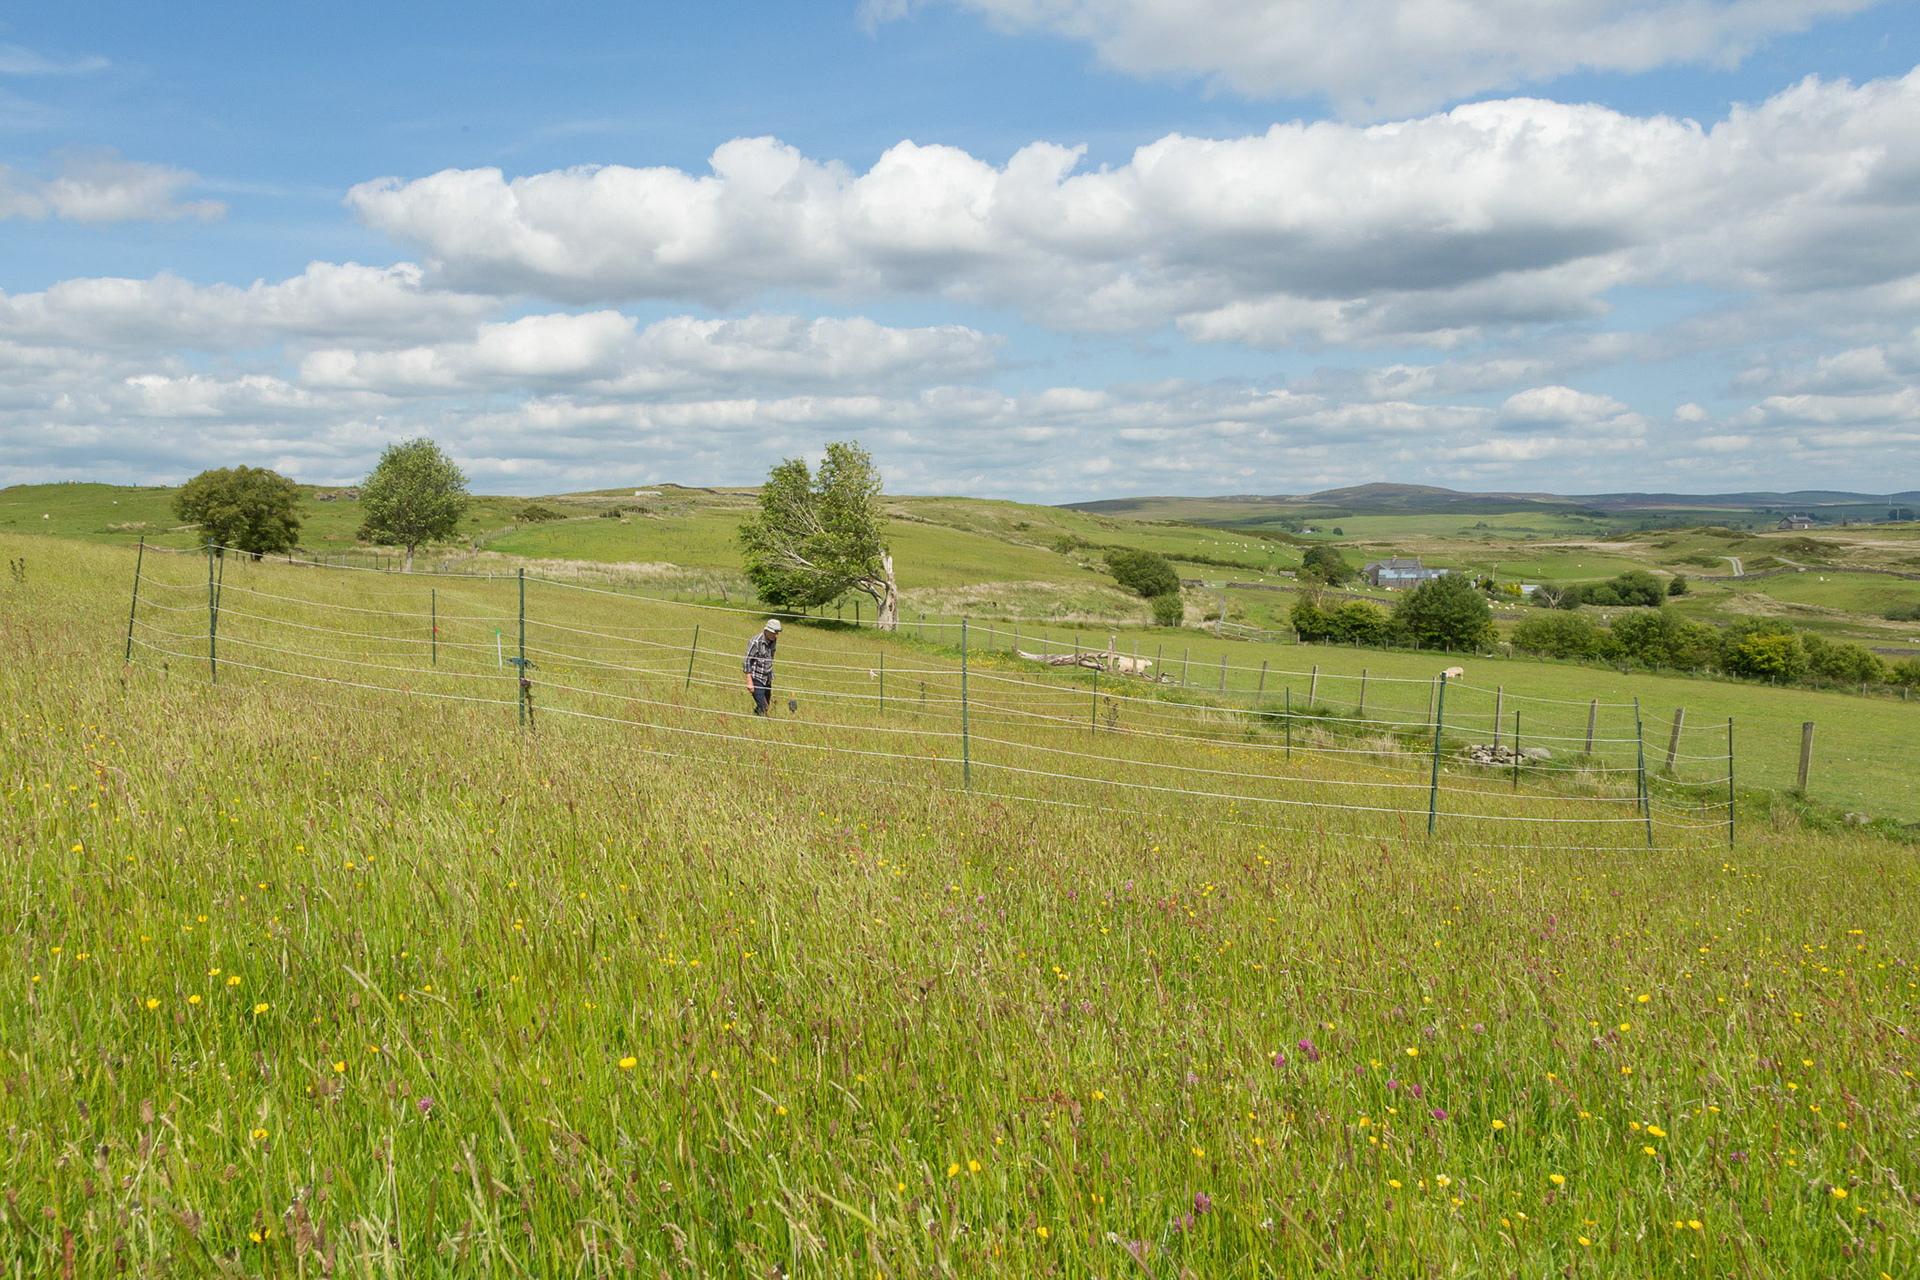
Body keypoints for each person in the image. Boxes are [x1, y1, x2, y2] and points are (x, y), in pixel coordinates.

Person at [743, 619, 781, 715]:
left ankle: (754, 716)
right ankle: (760, 720)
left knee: (766, 706)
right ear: (767, 630)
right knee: (763, 706)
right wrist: (749, 681)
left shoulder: (773, 640)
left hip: (767, 677)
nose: (776, 635)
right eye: (774, 632)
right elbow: (747, 660)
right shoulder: (755, 642)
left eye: (777, 633)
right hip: (756, 677)